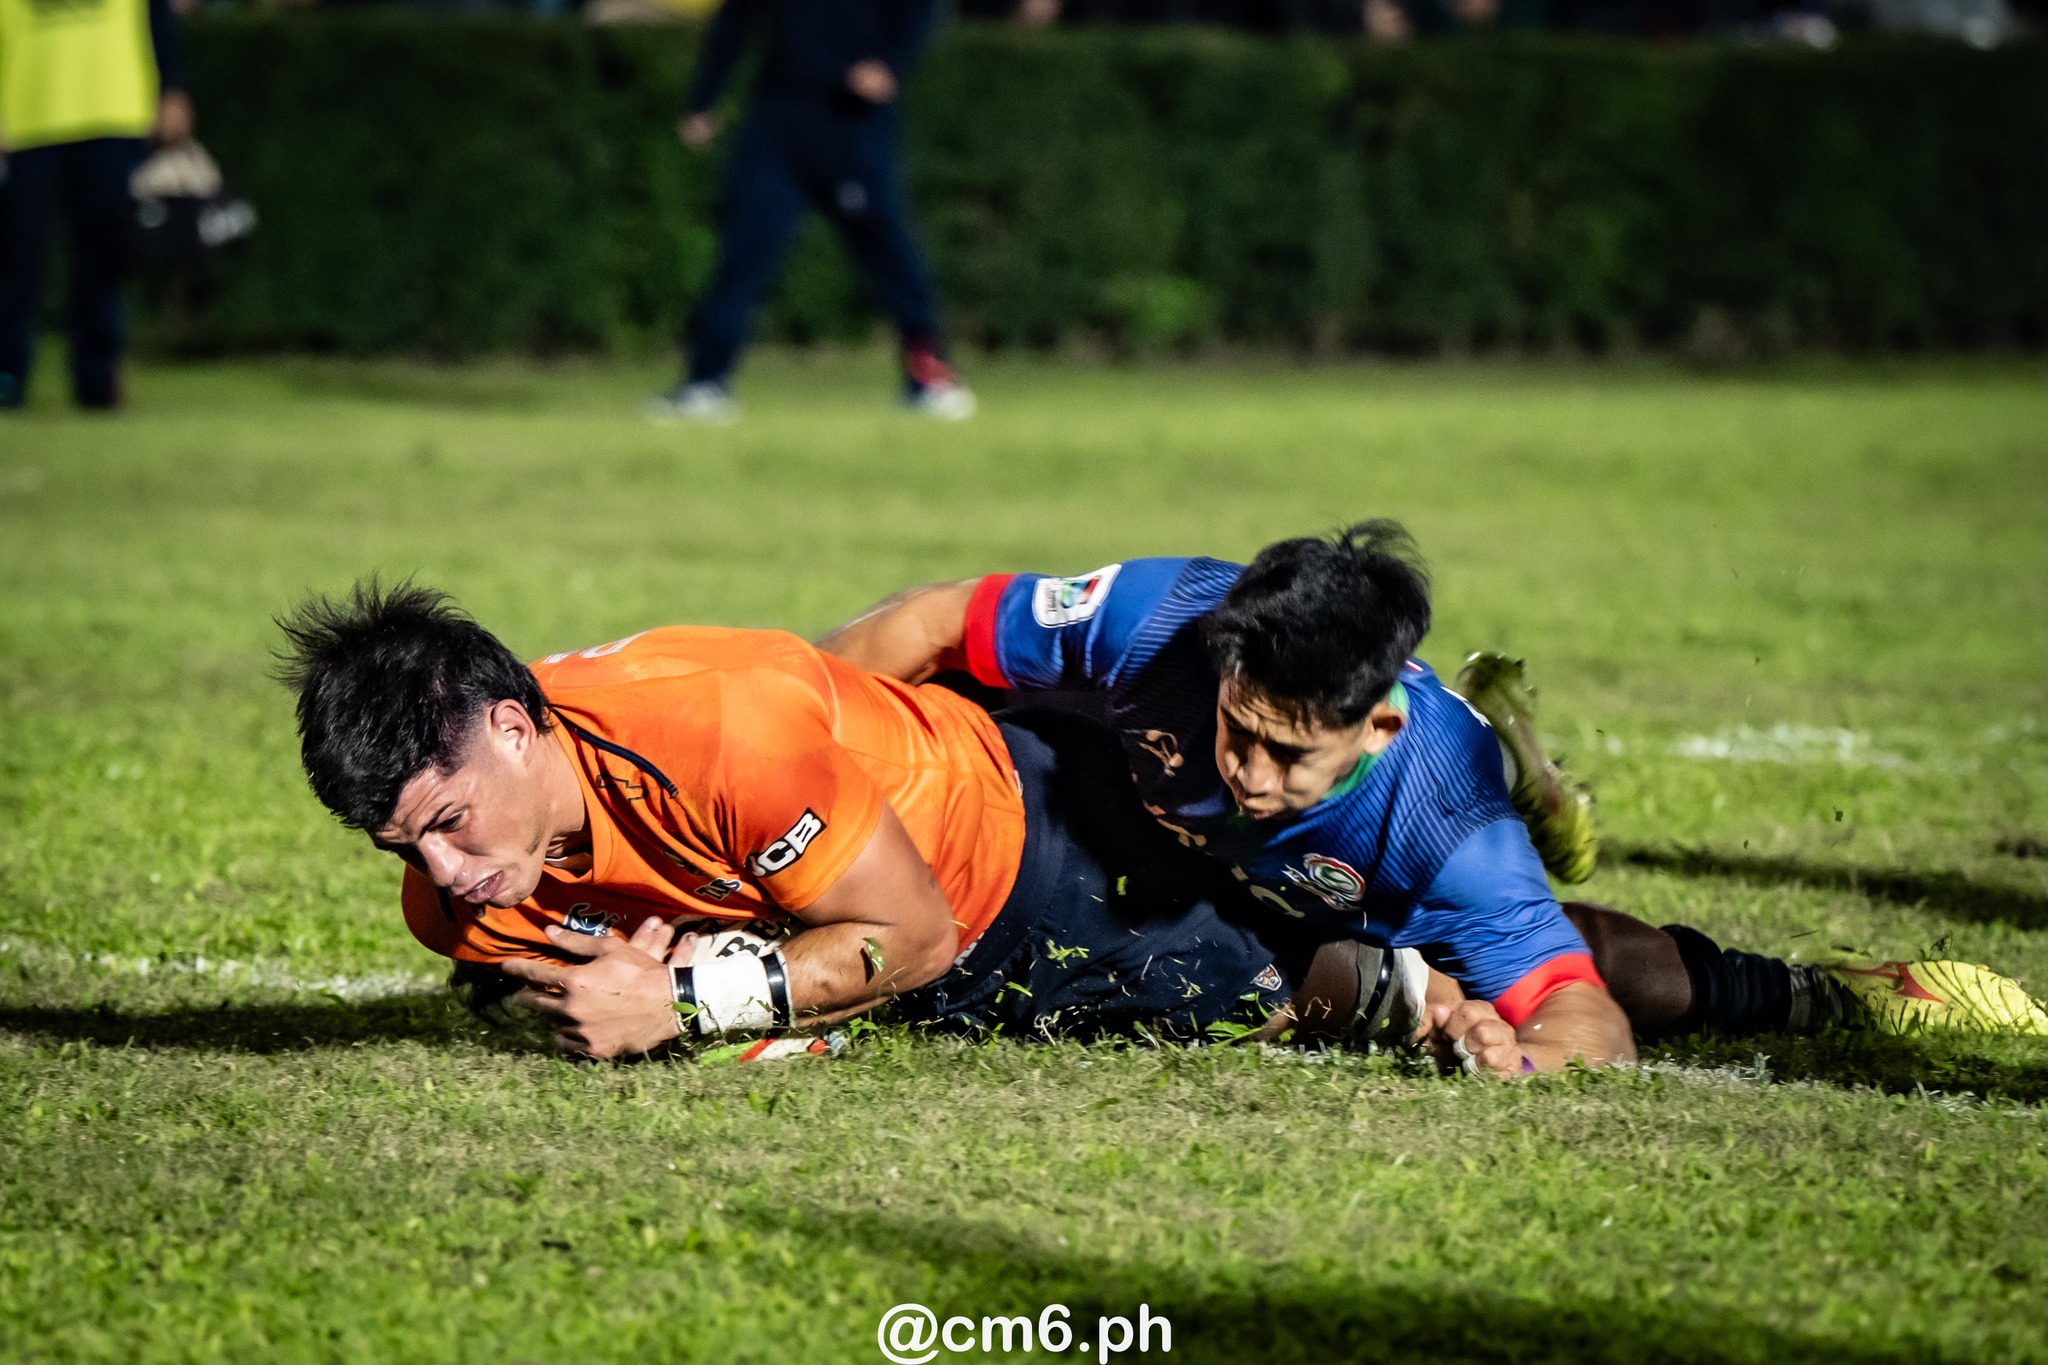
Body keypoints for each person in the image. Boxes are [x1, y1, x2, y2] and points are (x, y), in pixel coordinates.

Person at [276, 581, 1629, 1076]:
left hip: (1017, 861)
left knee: (1319, 972)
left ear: (513, 729)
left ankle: (1743, 980)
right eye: (406, 850)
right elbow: (932, 623)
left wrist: (691, 993)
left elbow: (909, 929)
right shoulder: (1156, 624)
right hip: (1066, 766)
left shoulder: (722, 740)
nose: (446, 874)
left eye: (450, 824)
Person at [818, 522, 2048, 1041]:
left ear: (1374, 723)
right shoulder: (1156, 620)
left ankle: (1821, 994)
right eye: (1231, 730)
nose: (1241, 772)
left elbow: (1586, 1030)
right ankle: (1538, 777)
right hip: (1098, 806)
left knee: (1564, 949)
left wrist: (1521, 1054)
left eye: (1284, 753)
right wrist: (791, 718)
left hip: (1361, 867)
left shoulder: (1437, 819)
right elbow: (929, 620)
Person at [647, 0, 974, 426]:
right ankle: (706, 383)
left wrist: (890, 64)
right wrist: (703, 100)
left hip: (851, 123)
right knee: (742, 254)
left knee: (889, 257)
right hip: (777, 120)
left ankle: (931, 378)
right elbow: (735, 18)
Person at [0, 0, 191, 411]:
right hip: (28, 118)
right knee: (18, 260)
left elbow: (156, 15)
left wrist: (172, 87)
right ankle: (7, 376)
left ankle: (98, 381)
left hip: (114, 111)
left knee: (103, 260)